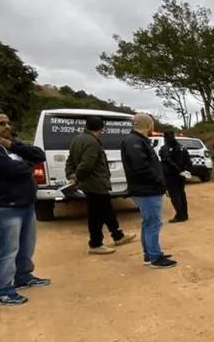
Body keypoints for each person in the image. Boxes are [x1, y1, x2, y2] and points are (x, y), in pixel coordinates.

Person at [0, 110, 51, 305]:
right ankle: (5, 291)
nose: (6, 127)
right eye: (0, 123)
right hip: (0, 206)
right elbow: (11, 168)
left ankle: (23, 277)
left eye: (8, 123)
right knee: (6, 250)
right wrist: (29, 167)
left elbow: (38, 155)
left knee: (26, 245)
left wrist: (12, 145)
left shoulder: (9, 144)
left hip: (24, 204)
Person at [65, 116, 137, 254]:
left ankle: (118, 235)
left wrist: (70, 175)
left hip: (91, 183)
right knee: (96, 215)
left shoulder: (76, 139)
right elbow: (87, 164)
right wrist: (76, 177)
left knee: (106, 209)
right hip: (95, 183)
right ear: (101, 128)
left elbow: (70, 159)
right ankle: (95, 243)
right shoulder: (92, 142)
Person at [120, 113, 177, 269]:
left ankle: (150, 254)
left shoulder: (137, 141)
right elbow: (141, 168)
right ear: (147, 124)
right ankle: (155, 258)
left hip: (146, 188)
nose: (153, 126)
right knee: (154, 223)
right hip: (147, 189)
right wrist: (158, 180)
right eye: (152, 123)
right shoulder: (134, 142)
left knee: (148, 223)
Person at [158, 130, 193, 223]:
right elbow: (189, 161)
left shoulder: (164, 148)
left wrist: (178, 170)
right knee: (181, 194)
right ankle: (184, 214)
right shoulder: (182, 147)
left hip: (171, 175)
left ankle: (180, 215)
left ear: (164, 138)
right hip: (182, 175)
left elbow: (168, 161)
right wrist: (185, 171)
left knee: (174, 195)